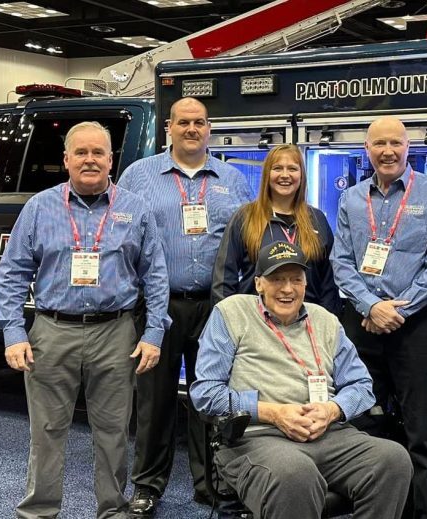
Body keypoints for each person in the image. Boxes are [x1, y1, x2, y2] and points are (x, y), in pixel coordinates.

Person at [0, 121, 171, 519]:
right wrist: (12, 331)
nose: (89, 160)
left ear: (111, 160)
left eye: (98, 153)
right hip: (51, 332)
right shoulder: (40, 207)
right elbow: (12, 272)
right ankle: (39, 512)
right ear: (66, 160)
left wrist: (155, 332)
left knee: (112, 434)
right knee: (47, 431)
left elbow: (155, 275)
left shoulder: (134, 208)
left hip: (116, 332)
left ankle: (113, 510)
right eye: (81, 152)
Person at [191, 240, 413, 519]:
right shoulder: (231, 312)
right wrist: (274, 413)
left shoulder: (325, 320)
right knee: (295, 474)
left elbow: (361, 386)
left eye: (296, 279)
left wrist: (332, 410)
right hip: (257, 438)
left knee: (393, 460)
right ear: (259, 283)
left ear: (306, 284)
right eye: (277, 279)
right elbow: (205, 394)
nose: (287, 289)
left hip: (328, 435)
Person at [118, 97, 252, 515]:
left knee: (209, 395)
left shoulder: (234, 179)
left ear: (209, 128)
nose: (191, 129)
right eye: (183, 123)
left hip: (216, 305)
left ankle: (211, 482)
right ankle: (147, 485)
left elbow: (249, 242)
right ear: (169, 129)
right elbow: (121, 237)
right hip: (158, 304)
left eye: (199, 123)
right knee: (153, 399)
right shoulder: (138, 176)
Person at [330, 116, 427, 519]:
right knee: (362, 426)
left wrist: (394, 310)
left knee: (424, 432)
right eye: (379, 143)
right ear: (367, 149)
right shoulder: (351, 199)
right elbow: (342, 263)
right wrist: (371, 306)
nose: (388, 151)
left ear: (408, 147)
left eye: (395, 143)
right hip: (362, 327)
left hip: (415, 327)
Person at [213, 143, 339, 312]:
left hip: (307, 325)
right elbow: (223, 280)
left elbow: (329, 283)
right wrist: (230, 323)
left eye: (292, 169)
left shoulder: (316, 220)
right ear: (267, 175)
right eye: (277, 168)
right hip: (256, 325)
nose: (285, 175)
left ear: (302, 175)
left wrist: (325, 325)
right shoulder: (245, 217)